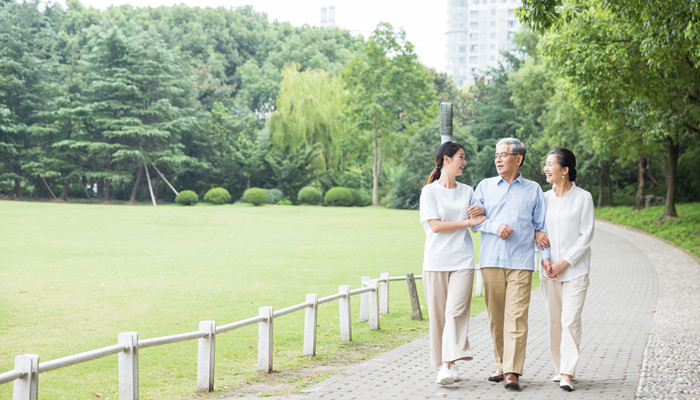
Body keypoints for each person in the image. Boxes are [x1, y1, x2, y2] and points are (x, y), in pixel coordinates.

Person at [470, 137, 548, 391]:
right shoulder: (484, 186)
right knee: (496, 318)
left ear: (518, 159)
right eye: (496, 156)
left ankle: (513, 371)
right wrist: (495, 227)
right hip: (491, 260)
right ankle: (502, 365)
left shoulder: (534, 189)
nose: (498, 160)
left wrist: (545, 257)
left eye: (503, 155)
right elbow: (474, 219)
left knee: (516, 317)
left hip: (521, 262)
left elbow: (541, 227)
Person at [419, 141, 486, 386]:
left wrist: (479, 213)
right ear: (446, 159)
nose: (464, 162)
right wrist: (467, 222)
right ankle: (449, 363)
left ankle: (446, 366)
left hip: (462, 261)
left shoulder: (468, 190)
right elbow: (435, 226)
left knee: (454, 313)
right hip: (435, 262)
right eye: (461, 157)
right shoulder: (429, 192)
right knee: (439, 317)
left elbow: (477, 224)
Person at [539, 148, 594, 392]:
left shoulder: (584, 198)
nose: (547, 168)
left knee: (570, 320)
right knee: (554, 321)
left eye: (551, 164)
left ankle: (567, 373)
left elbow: (586, 236)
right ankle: (559, 365)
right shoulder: (542, 198)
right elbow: (539, 233)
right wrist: (547, 259)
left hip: (575, 271)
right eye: (546, 164)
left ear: (565, 170)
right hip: (549, 270)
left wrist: (565, 262)